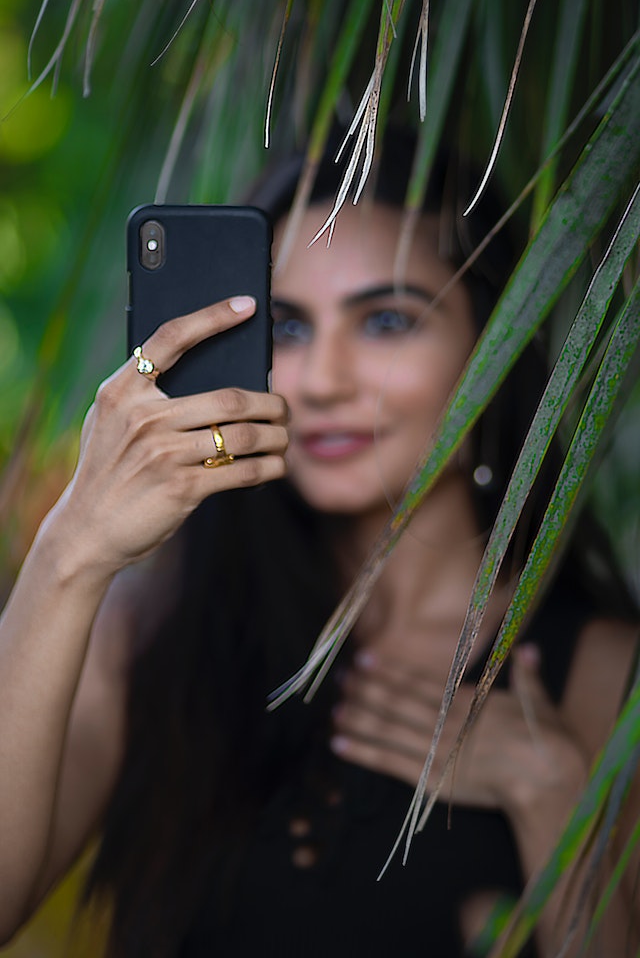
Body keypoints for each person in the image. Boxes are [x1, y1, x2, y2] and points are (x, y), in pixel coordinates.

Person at [0, 132, 638, 958]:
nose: (326, 379)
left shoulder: (601, 672)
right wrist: (68, 553)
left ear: (496, 347)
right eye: (289, 328)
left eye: (385, 320)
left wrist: (549, 792)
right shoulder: (150, 632)